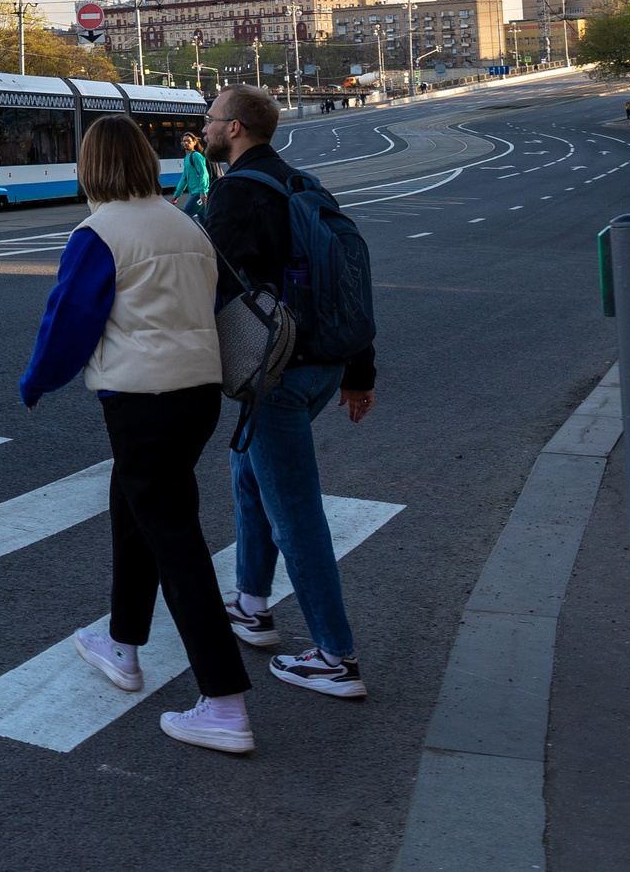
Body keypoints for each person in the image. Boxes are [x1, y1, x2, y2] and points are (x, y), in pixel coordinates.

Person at [19, 114, 253, 755]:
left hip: (142, 401)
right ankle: (122, 644)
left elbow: (69, 321)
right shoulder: (186, 226)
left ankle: (225, 703)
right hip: (197, 393)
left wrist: (37, 382)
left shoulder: (99, 233)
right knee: (136, 508)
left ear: (91, 167)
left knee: (174, 539)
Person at [201, 84, 375, 702]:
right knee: (248, 472)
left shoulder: (238, 195)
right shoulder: (304, 185)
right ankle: (251, 604)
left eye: (212, 118)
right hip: (323, 364)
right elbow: (344, 280)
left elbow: (209, 286)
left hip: (272, 374)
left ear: (238, 129)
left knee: (295, 511)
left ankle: (335, 655)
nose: (205, 125)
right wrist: (359, 370)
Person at [173, 131, 211, 217]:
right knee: (205, 221)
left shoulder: (196, 156)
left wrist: (203, 191)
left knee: (186, 216)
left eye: (189, 141)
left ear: (194, 142)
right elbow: (184, 179)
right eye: (184, 141)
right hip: (195, 192)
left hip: (199, 193)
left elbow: (204, 174)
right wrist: (176, 195)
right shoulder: (187, 158)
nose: (186, 143)